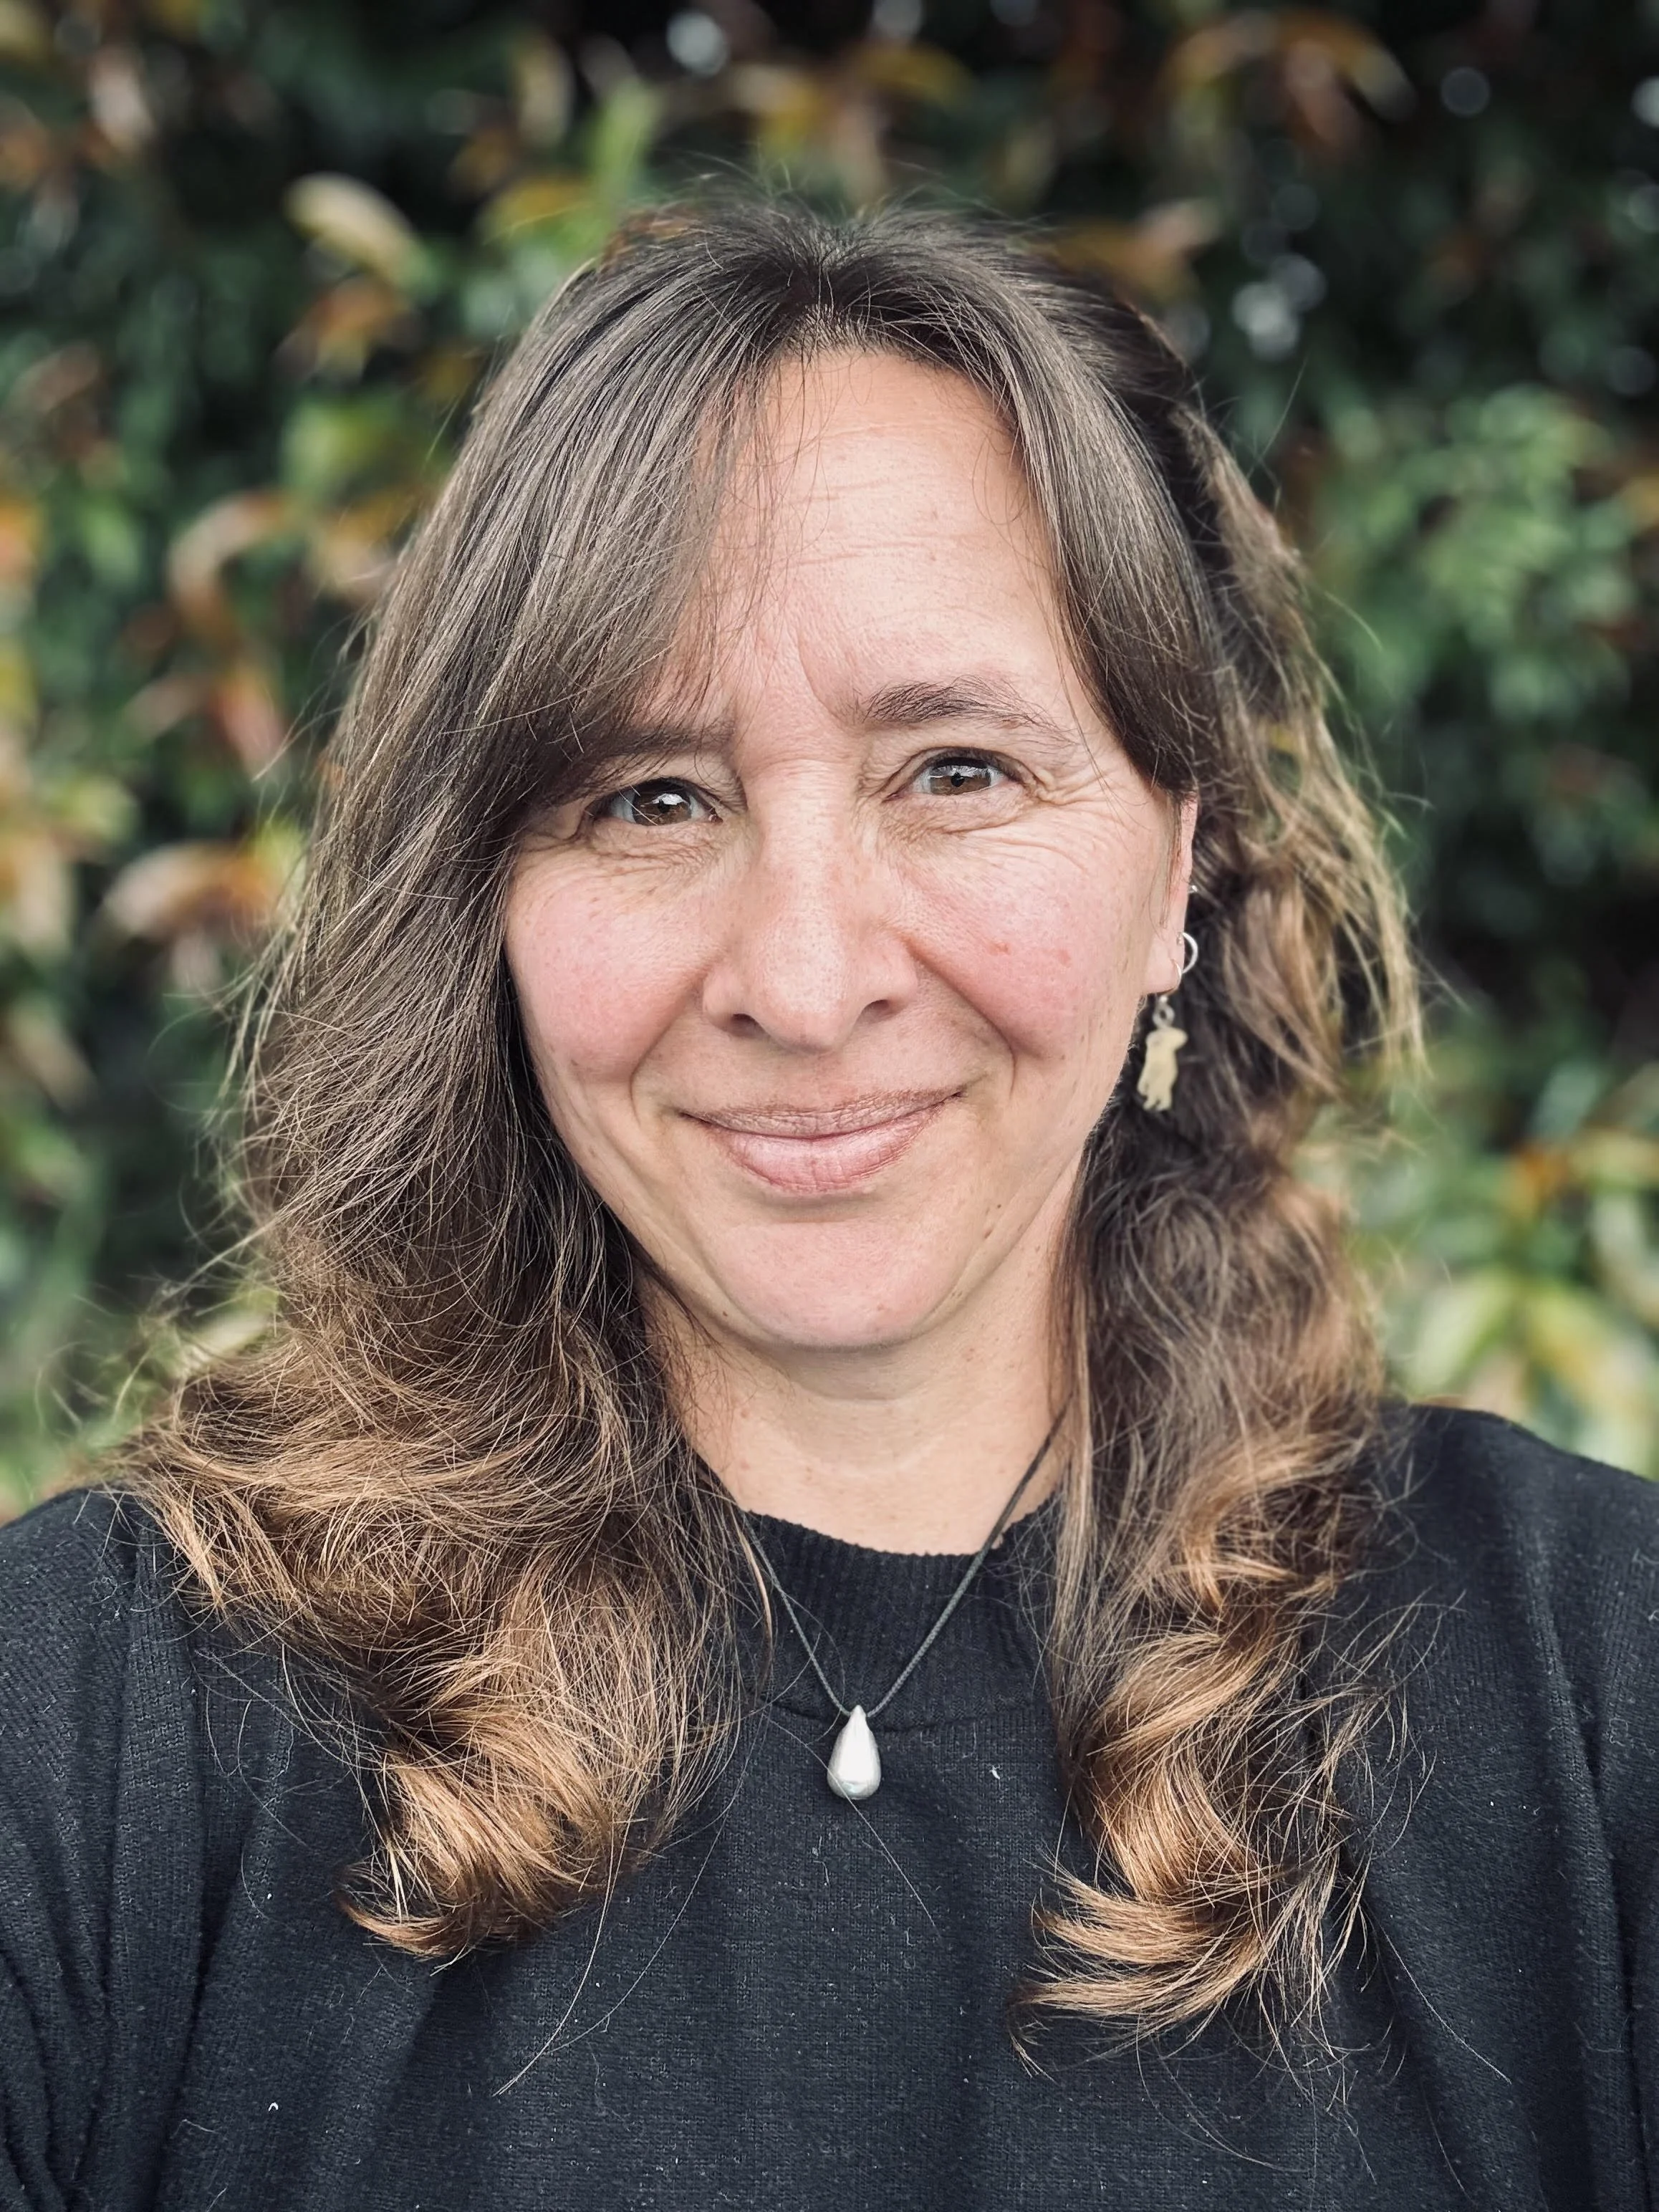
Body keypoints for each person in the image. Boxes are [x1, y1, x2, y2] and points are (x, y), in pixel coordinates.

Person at [1, 197, 1655, 2212]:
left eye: (954, 770)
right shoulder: (87, 1720)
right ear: (489, 906)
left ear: (1177, 860)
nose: (801, 977)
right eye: (649, 798)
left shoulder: (1595, 1690)